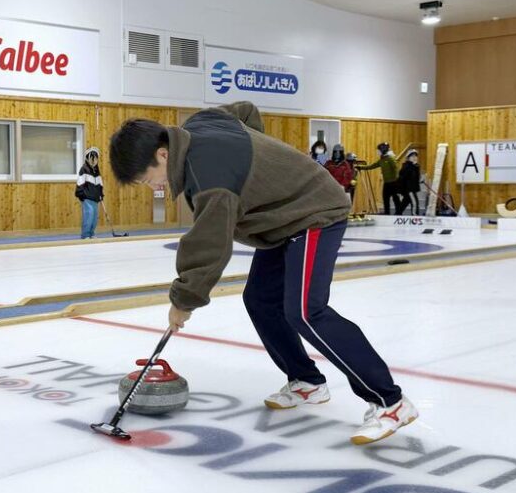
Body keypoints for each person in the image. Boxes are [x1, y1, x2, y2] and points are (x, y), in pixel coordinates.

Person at [108, 102, 417, 445]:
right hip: (281, 220)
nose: (152, 187)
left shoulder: (209, 178)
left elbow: (209, 246)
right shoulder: (202, 123)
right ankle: (307, 381)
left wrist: (183, 301)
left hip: (315, 211)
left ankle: (390, 401)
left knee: (305, 311)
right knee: (259, 299)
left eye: (146, 178)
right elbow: (245, 110)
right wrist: (262, 169)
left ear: (163, 155)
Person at [357, 142, 404, 215]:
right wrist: (361, 167)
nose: (377, 152)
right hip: (387, 183)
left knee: (395, 198)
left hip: (394, 182)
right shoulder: (382, 159)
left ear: (383, 150)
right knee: (385, 198)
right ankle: (387, 212)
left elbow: (396, 169)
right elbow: (372, 166)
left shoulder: (390, 158)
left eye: (378, 150)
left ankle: (399, 213)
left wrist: (397, 181)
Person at [75, 146, 104, 239]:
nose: (93, 160)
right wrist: (81, 194)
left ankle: (91, 233)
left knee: (94, 217)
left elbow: (100, 183)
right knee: (89, 215)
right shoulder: (84, 169)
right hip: (87, 198)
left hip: (95, 198)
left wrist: (101, 194)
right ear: (87, 158)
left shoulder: (97, 171)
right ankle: (85, 235)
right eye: (91, 157)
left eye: (95, 158)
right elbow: (80, 182)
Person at [397, 149, 422, 214]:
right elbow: (402, 178)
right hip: (409, 190)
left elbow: (415, 178)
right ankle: (415, 219)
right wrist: (400, 190)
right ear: (408, 158)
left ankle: (397, 215)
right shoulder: (406, 166)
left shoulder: (415, 166)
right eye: (412, 156)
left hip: (412, 189)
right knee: (415, 204)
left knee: (403, 204)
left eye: (416, 156)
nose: (414, 158)